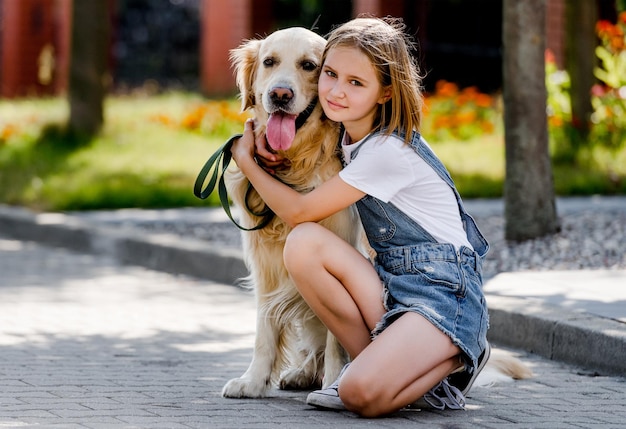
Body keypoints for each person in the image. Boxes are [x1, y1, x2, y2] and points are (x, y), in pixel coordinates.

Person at [230, 16, 490, 418]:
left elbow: (299, 211)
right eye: (330, 74)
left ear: (386, 92)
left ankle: (449, 366)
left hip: (443, 297)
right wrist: (265, 151)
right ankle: (369, 365)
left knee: (360, 396)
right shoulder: (347, 139)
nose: (335, 90)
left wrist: (246, 161)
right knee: (304, 244)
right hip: (393, 289)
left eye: (356, 82)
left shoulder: (386, 152)